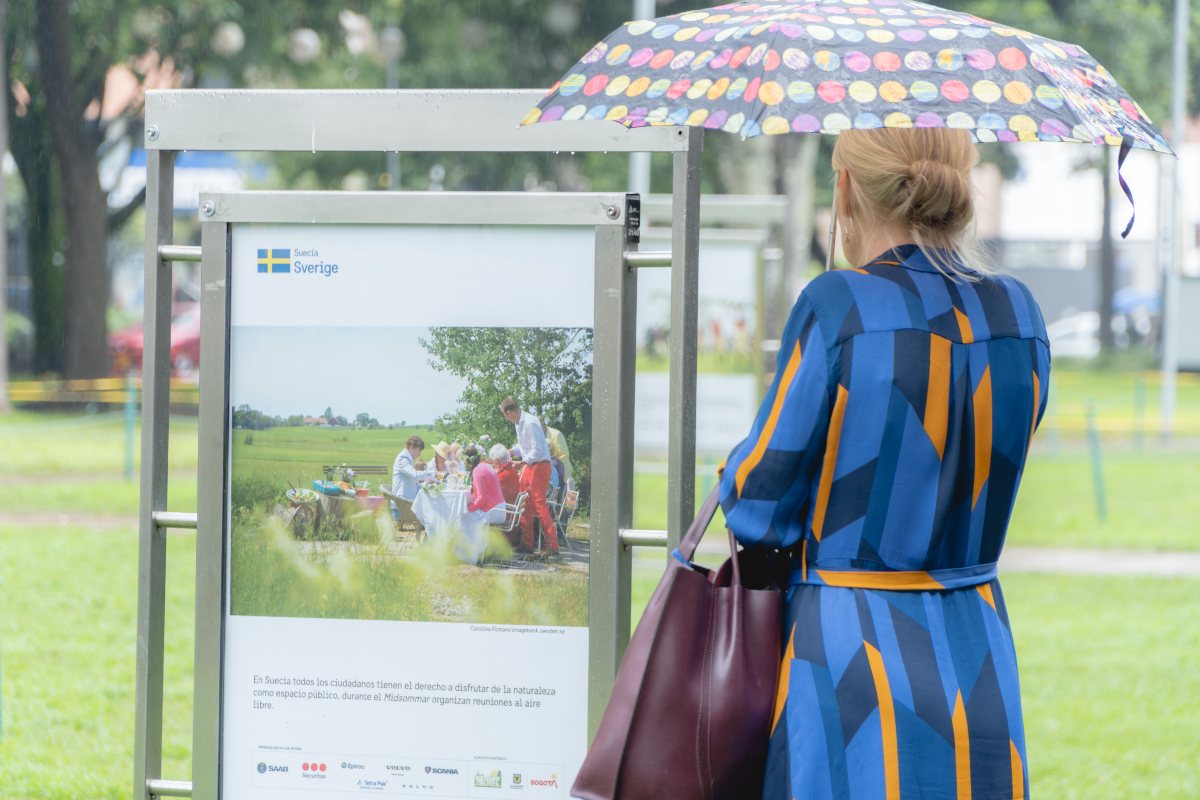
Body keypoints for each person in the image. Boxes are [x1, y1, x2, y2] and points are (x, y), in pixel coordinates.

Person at [719, 128, 1048, 800]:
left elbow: (757, 500)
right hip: (977, 643)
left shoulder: (838, 304)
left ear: (845, 188)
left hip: (848, 651)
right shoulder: (1019, 312)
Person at [500, 396, 559, 557]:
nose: (506, 418)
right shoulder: (518, 422)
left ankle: (553, 545)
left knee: (539, 504)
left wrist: (523, 462)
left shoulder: (531, 422)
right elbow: (524, 446)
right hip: (531, 465)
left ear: (510, 412)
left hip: (539, 466)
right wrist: (512, 452)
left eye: (505, 415)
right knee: (525, 503)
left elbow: (538, 450)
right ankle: (527, 543)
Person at [464, 444, 506, 526]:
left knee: (462, 518)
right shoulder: (487, 465)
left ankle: (472, 539)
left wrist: (468, 509)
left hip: (492, 511)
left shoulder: (478, 470)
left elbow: (481, 499)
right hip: (501, 508)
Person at [392, 435, 435, 502]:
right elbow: (415, 475)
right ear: (412, 447)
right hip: (400, 503)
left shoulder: (408, 459)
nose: (419, 454)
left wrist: (426, 484)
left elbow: (412, 485)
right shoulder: (403, 458)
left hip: (405, 501)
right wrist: (433, 473)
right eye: (419, 450)